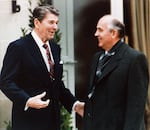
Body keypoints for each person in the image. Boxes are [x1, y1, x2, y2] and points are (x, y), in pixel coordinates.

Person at [0, 5, 84, 130]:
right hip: (28, 121)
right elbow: (6, 82)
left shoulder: (55, 48)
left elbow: (56, 84)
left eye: (56, 23)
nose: (55, 27)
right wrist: (27, 100)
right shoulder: (18, 48)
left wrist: (75, 104)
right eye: (51, 22)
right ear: (37, 22)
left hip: (53, 121)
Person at [82, 14, 149, 130]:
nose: (96, 34)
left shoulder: (135, 59)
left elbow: (136, 106)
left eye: (100, 30)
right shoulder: (96, 58)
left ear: (113, 33)